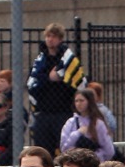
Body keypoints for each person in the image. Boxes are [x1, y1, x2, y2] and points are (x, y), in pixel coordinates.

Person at [28, 22, 84, 154]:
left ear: (60, 39)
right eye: (47, 36)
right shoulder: (41, 60)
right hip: (44, 111)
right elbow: (33, 82)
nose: (50, 39)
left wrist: (61, 77)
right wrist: (50, 78)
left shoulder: (68, 59)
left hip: (63, 111)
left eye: (53, 36)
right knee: (42, 151)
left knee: (65, 149)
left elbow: (77, 81)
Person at [59, 89, 116, 161]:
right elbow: (64, 148)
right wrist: (77, 133)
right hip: (75, 163)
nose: (78, 104)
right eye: (76, 101)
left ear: (89, 102)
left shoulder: (98, 124)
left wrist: (93, 157)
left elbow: (109, 150)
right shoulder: (71, 122)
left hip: (93, 164)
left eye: (81, 100)